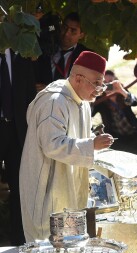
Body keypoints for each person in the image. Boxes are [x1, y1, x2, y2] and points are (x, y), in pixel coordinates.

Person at [19, 51, 114, 242]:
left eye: (101, 84)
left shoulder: (83, 102)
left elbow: (78, 141)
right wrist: (91, 145)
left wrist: (94, 145)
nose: (99, 89)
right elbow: (52, 145)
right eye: (96, 83)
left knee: (70, 249)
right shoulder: (54, 101)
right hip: (47, 188)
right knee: (48, 248)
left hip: (68, 187)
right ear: (78, 78)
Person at [0, 49, 36, 245]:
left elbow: (30, 96)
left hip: (17, 133)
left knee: (19, 189)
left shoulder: (21, 57)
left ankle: (19, 242)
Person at [91, 70, 137, 156]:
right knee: (111, 145)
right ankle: (135, 151)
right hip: (117, 136)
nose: (108, 86)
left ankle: (131, 151)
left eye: (110, 82)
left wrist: (121, 90)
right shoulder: (101, 100)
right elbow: (90, 113)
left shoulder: (122, 94)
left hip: (133, 133)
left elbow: (134, 102)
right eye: (105, 83)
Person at [34, 12, 90, 92]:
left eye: (73, 31)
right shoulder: (45, 45)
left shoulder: (86, 57)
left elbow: (85, 89)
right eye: (64, 27)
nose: (66, 33)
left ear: (81, 35)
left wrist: (51, 90)